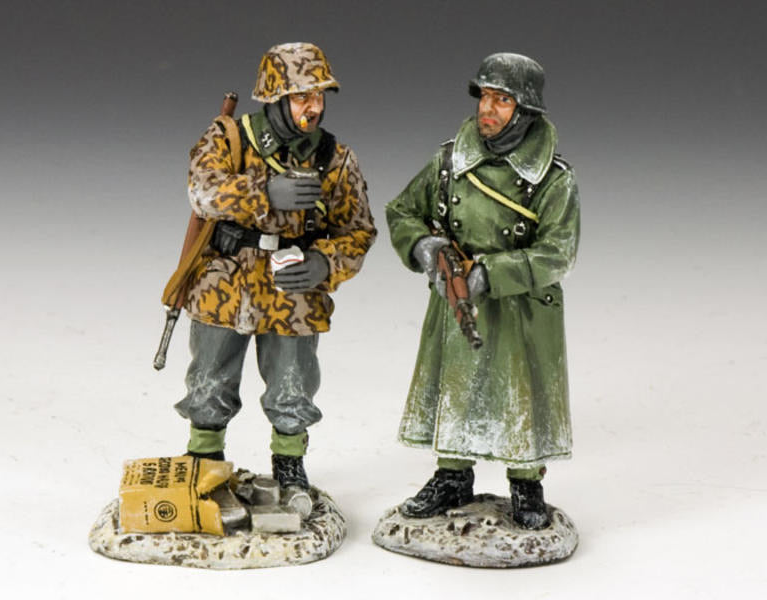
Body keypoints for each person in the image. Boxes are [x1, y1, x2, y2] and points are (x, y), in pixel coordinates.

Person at [385, 53, 579, 529]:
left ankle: (526, 484)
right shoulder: (449, 162)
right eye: (485, 97)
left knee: (521, 397)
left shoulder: (553, 179)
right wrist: (427, 247)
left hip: (520, 308)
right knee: (455, 388)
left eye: (502, 100)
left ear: (526, 110)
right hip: (456, 300)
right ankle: (452, 476)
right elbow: (402, 211)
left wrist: (491, 274)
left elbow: (558, 253)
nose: (487, 109)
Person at [175, 42, 376, 490]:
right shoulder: (229, 138)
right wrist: (263, 192)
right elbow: (202, 192)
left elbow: (359, 232)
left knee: (293, 385)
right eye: (302, 96)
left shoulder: (335, 159)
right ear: (275, 97)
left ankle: (289, 466)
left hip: (293, 287)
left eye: (319, 95)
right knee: (208, 381)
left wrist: (325, 263)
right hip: (226, 281)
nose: (314, 106)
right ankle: (204, 459)